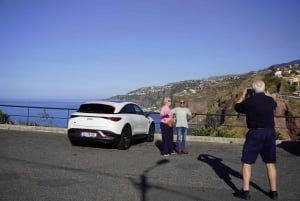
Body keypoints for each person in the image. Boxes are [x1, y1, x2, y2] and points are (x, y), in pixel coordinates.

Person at [234, 80, 278, 200]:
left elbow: (237, 107)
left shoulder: (249, 101)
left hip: (255, 133)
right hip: (270, 132)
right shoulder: (270, 101)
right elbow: (274, 105)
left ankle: (246, 191)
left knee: (247, 162)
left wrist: (243, 95)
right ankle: (273, 192)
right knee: (270, 163)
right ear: (264, 89)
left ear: (252, 90)